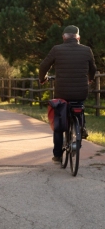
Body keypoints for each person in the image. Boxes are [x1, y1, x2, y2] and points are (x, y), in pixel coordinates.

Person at [39, 25, 97, 164]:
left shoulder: (56, 49)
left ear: (63, 37)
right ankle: (81, 127)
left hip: (62, 92)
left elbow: (43, 66)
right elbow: (93, 69)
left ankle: (58, 155)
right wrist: (90, 78)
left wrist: (42, 78)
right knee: (79, 106)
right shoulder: (86, 50)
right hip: (81, 91)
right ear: (78, 37)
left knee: (59, 121)